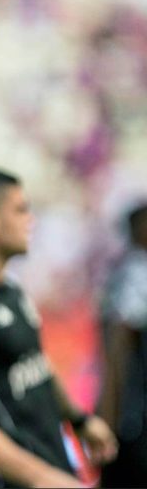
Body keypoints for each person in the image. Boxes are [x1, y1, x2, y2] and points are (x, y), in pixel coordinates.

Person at [0, 169, 118, 487]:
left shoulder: (11, 287)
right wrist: (42, 478)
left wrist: (78, 419)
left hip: (52, 464)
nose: (30, 220)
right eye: (20, 209)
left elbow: (35, 362)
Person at [98, 201, 147, 487]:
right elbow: (119, 349)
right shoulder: (136, 273)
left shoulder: (125, 269)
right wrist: (109, 415)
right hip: (135, 415)